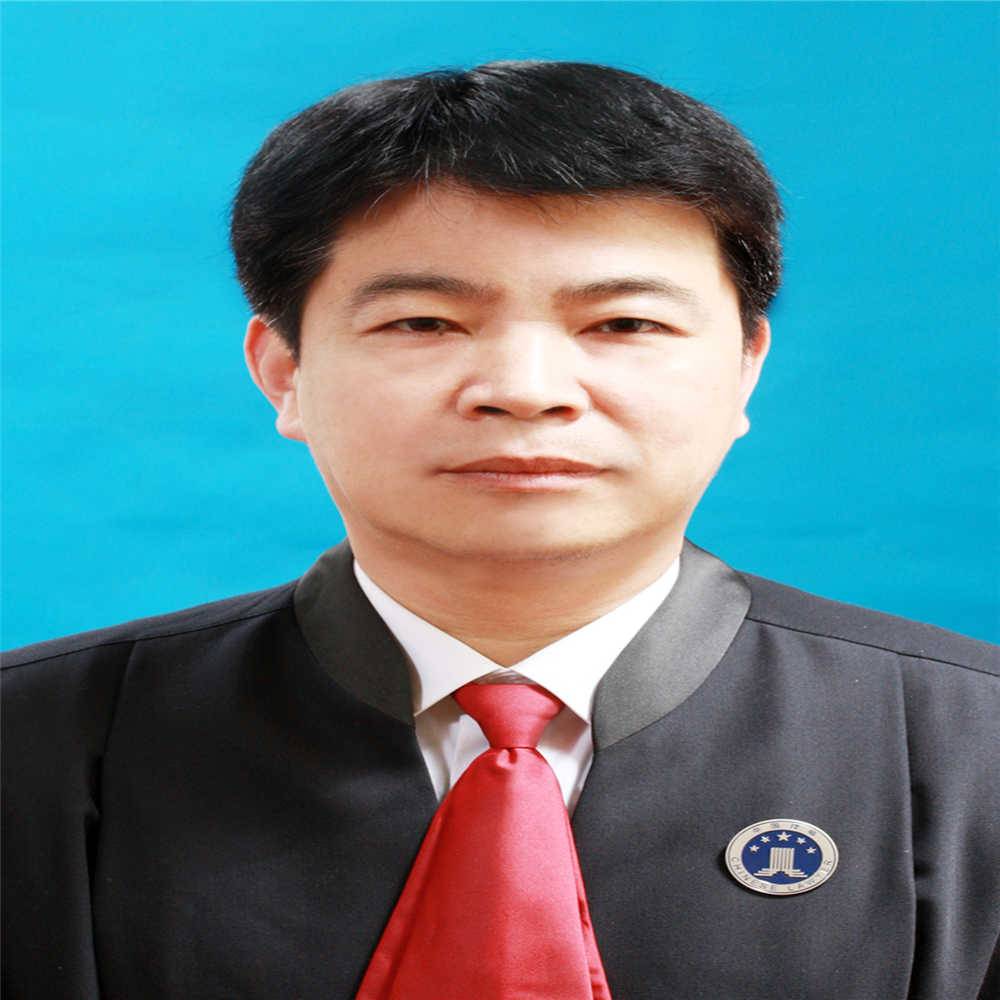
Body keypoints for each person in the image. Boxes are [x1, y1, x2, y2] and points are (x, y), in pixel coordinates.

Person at [3, 59, 997, 1000]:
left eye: (623, 324)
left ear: (745, 366)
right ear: (284, 371)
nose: (525, 390)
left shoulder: (974, 746)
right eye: (424, 323)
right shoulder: (30, 746)